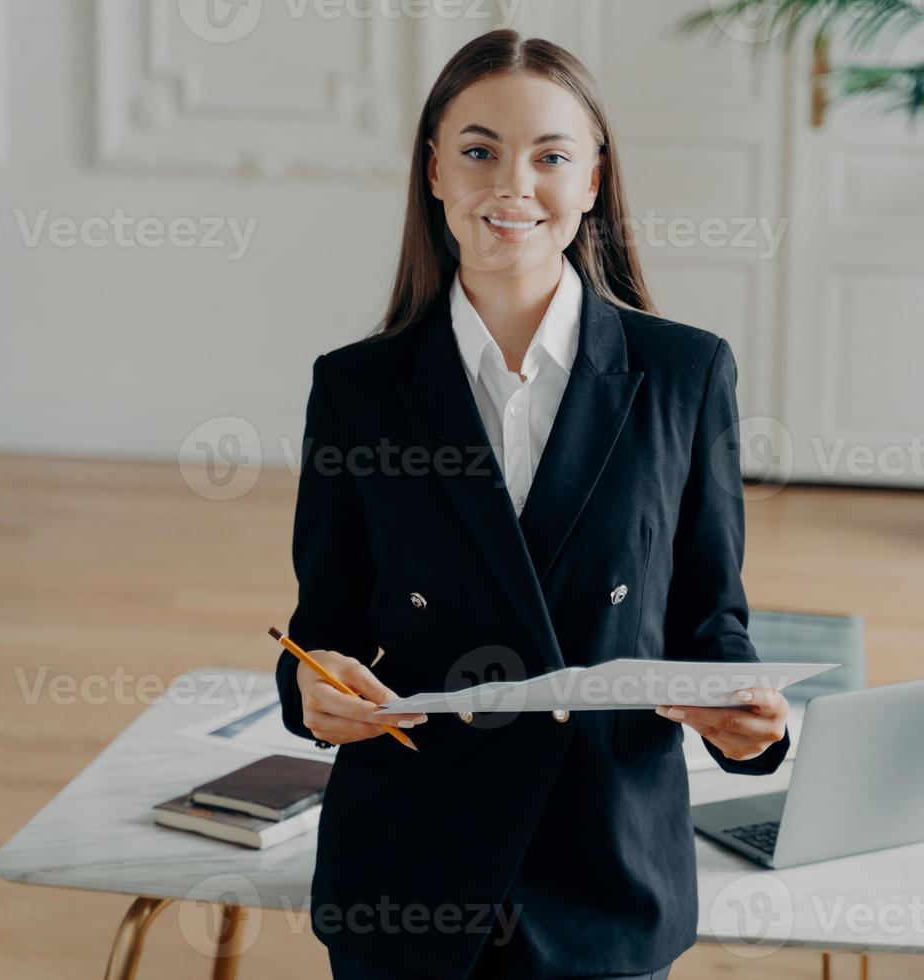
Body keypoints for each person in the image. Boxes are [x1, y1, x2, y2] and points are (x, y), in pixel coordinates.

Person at [277, 29, 791, 980]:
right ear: (434, 170)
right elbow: (321, 630)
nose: (513, 184)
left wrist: (750, 728)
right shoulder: (354, 389)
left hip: (604, 865)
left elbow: (710, 619)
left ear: (593, 180)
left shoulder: (684, 373)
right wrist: (310, 692)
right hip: (412, 872)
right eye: (479, 151)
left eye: (551, 156)